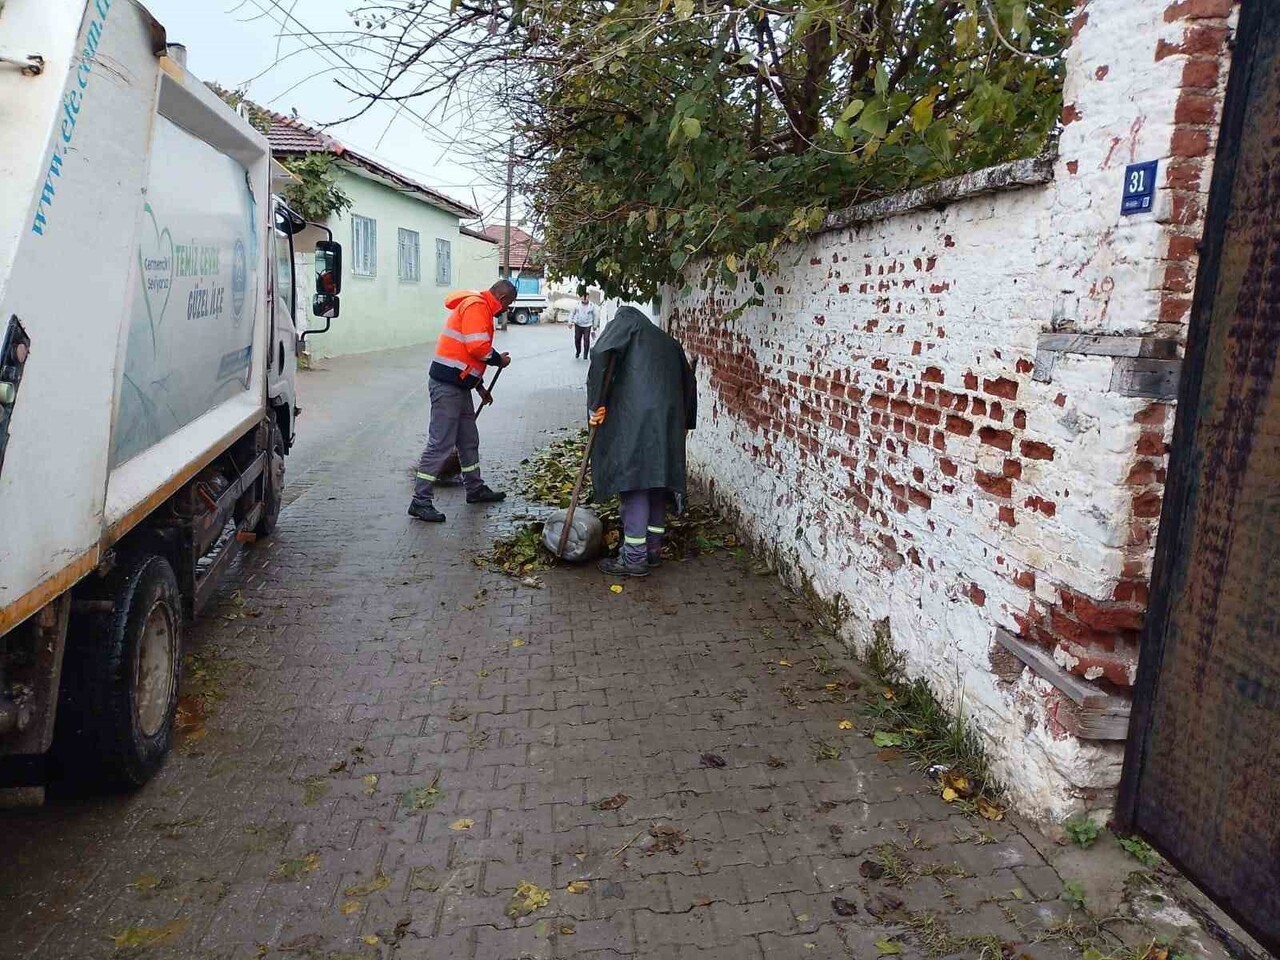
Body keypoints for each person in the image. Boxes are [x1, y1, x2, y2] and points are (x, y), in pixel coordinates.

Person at [586, 306, 697, 577]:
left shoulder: (626, 326)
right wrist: (687, 422)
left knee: (634, 484)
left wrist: (595, 404)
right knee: (657, 483)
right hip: (667, 425)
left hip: (634, 422)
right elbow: (689, 382)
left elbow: (601, 352)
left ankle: (633, 558)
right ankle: (653, 551)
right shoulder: (668, 342)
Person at [407, 280, 517, 523]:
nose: (507, 309)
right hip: (447, 388)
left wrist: (480, 388)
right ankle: (420, 501)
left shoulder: (481, 308)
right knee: (441, 444)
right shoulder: (477, 306)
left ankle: (475, 488)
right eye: (508, 303)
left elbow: (465, 359)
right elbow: (478, 348)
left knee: (468, 441)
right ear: (501, 296)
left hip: (459, 386)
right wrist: (499, 360)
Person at [570, 290, 599, 359]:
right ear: (581, 297)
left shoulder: (592, 305)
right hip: (578, 324)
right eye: (583, 297)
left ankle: (585, 354)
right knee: (577, 339)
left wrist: (595, 325)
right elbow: (572, 313)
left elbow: (595, 315)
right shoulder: (577, 305)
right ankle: (578, 351)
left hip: (587, 325)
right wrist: (570, 322)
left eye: (586, 297)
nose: (585, 298)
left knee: (586, 339)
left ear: (588, 298)